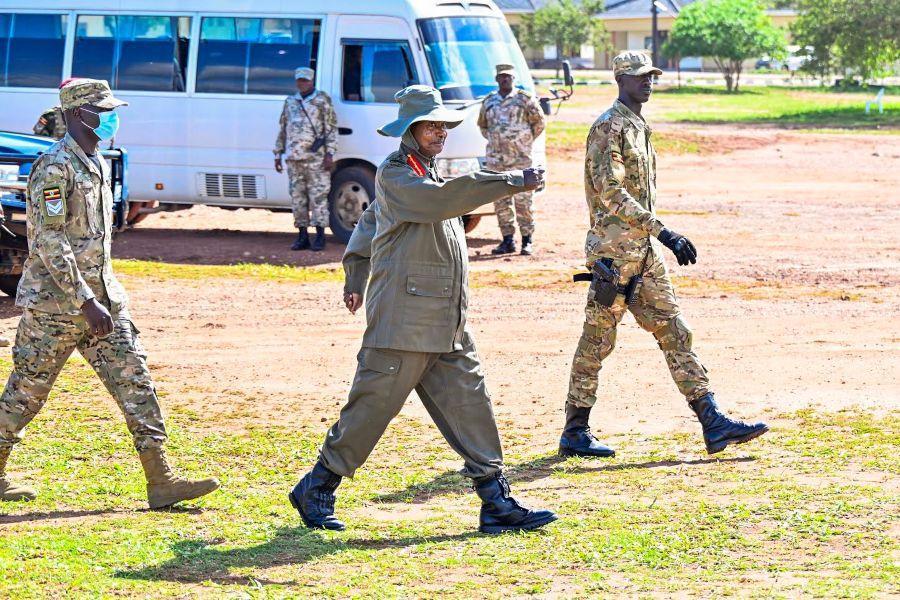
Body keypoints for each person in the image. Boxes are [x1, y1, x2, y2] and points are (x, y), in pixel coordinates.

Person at [288, 86, 557, 534]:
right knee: (371, 408)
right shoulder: (399, 175)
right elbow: (437, 202)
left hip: (447, 320)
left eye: (444, 125)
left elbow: (370, 223)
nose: (440, 133)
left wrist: (355, 270)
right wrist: (510, 181)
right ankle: (317, 487)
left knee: (472, 405)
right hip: (405, 318)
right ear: (410, 130)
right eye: (431, 125)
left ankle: (495, 500)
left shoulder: (423, 173)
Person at [0, 79, 219, 508]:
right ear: (80, 114)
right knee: (25, 394)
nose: (112, 118)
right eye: (105, 110)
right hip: (57, 308)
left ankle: (161, 480)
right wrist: (84, 300)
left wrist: (100, 299)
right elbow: (49, 240)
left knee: (135, 382)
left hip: (103, 303)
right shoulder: (54, 166)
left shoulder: (96, 160)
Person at [560, 52, 769, 458]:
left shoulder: (639, 126)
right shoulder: (608, 128)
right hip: (613, 256)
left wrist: (656, 238)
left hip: (642, 253)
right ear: (620, 80)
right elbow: (611, 192)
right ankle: (575, 429)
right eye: (640, 77)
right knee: (597, 340)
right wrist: (665, 231)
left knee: (675, 329)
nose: (648, 82)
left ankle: (713, 421)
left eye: (652, 76)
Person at [477, 64, 545, 256]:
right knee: (501, 201)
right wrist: (497, 141)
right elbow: (483, 126)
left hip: (521, 160)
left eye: (508, 77)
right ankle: (507, 240)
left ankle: (527, 240)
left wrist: (523, 141)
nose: (505, 80)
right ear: (497, 79)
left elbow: (538, 123)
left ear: (514, 79)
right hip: (497, 162)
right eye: (501, 77)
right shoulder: (489, 101)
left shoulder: (525, 100)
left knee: (524, 201)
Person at [274, 67, 338, 252]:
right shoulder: (290, 102)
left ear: (312, 81)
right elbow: (283, 128)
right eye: (299, 80)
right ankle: (302, 236)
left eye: (305, 80)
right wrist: (278, 153)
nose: (302, 83)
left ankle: (319, 237)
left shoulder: (321, 101)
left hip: (316, 160)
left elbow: (331, 128)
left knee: (318, 198)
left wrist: (330, 154)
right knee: (297, 199)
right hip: (294, 159)